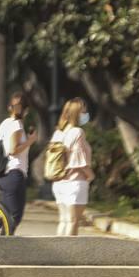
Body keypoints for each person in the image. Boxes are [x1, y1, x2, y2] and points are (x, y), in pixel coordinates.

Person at [50, 98, 95, 236]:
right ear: (77, 113)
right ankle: (69, 255)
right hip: (75, 182)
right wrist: (91, 175)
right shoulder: (77, 132)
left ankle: (58, 254)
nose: (85, 114)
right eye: (83, 111)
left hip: (59, 183)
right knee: (73, 221)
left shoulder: (58, 133)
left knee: (64, 220)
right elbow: (79, 161)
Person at [0, 92, 38, 233]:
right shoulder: (17, 126)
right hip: (14, 173)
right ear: (26, 110)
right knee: (15, 216)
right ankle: (3, 245)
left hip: (2, 174)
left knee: (7, 214)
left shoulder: (4, 124)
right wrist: (30, 141)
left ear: (10, 107)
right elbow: (13, 150)